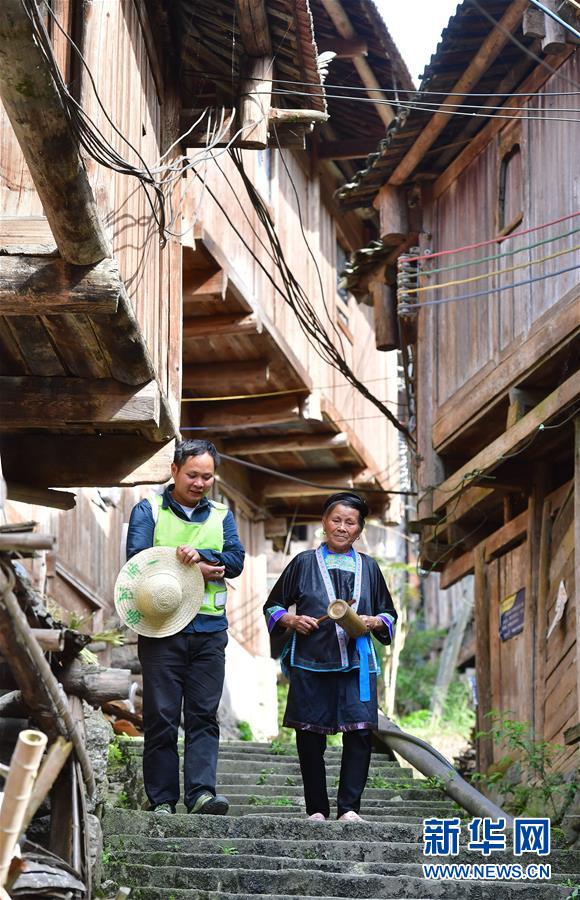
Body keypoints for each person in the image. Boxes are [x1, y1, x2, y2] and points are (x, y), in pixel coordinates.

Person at [126, 439, 245, 816]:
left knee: (203, 715)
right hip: (161, 629)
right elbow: (136, 561)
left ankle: (201, 794)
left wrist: (205, 556)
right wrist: (190, 569)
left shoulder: (222, 514)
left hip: (209, 629)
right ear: (174, 471)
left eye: (207, 477)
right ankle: (162, 799)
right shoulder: (148, 510)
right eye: (192, 475)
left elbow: (236, 561)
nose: (199, 483)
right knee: (161, 716)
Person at [263, 492, 396, 822]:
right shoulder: (303, 563)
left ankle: (349, 808)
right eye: (336, 520)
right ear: (324, 523)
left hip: (357, 664)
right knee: (309, 736)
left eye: (350, 522)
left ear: (359, 530)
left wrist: (374, 621)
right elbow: (273, 606)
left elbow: (389, 614)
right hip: (311, 662)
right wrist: (292, 619)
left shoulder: (369, 567)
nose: (342, 527)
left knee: (360, 733)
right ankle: (317, 810)